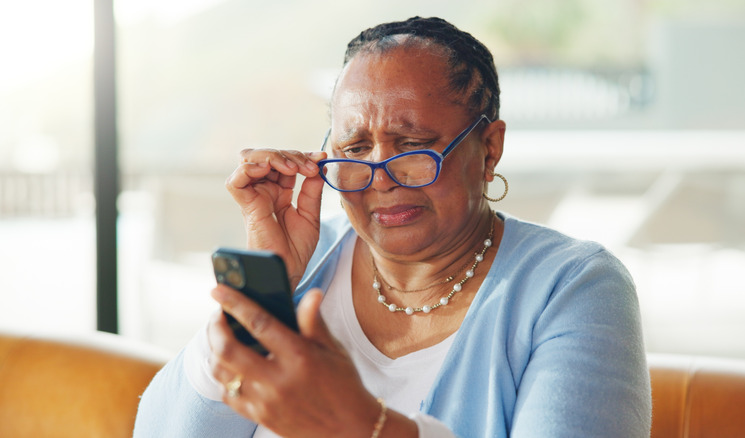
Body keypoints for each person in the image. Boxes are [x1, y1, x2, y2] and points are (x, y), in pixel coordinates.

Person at [134, 16, 651, 437]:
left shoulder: (576, 287)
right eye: (355, 149)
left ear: (488, 149)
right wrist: (264, 295)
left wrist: (361, 426)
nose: (381, 178)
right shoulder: (308, 265)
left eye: (413, 145)